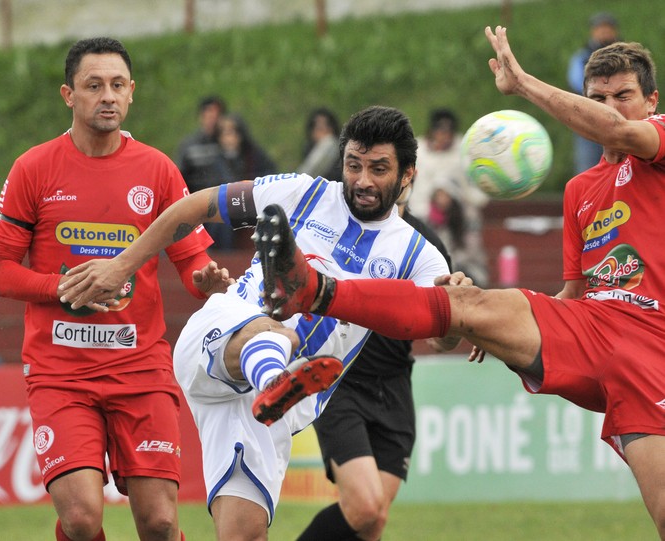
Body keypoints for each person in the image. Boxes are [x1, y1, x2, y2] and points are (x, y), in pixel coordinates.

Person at [255, 27, 665, 540]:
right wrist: (498, 330)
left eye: (623, 96)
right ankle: (312, 289)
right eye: (598, 98)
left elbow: (620, 132)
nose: (610, 109)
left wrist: (523, 85)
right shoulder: (581, 189)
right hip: (594, 328)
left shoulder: (659, 142)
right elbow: (574, 296)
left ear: (652, 101)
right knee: (464, 301)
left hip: (652, 345)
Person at [57, 105, 463, 540]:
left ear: (407, 174)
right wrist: (122, 266)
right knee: (276, 329)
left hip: (265, 416)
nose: (362, 180)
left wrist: (455, 311)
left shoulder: (419, 256)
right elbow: (192, 207)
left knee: (242, 534)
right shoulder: (302, 192)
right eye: (353, 165)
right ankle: (274, 373)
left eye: (379, 169)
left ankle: (275, 378)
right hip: (221, 336)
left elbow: (442, 340)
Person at [0, 37, 232, 541]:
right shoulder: (34, 168)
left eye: (117, 85)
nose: (107, 96)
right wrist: (64, 288)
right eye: (93, 86)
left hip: (140, 367)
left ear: (132, 92)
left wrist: (206, 279)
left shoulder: (158, 170)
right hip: (60, 373)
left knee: (160, 524)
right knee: (80, 519)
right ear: (68, 95)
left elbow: (191, 262)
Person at [297, 180, 451, 540]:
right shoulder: (340, 225)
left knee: (373, 520)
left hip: (394, 385)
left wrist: (464, 329)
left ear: (408, 175)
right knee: (364, 506)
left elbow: (441, 336)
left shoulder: (424, 245)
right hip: (340, 380)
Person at [412, 108, 489, 286]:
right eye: (439, 131)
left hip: (457, 216)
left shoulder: (462, 152)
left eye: (448, 132)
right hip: (423, 215)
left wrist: (456, 201)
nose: (443, 136)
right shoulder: (418, 151)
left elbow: (476, 190)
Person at [208, 112, 279, 250]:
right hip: (227, 203)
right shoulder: (216, 159)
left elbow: (270, 176)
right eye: (223, 133)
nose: (228, 138)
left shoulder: (254, 155)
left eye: (231, 132)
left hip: (253, 201)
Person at [567, 12, 620, 174]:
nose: (604, 32)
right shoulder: (582, 57)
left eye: (607, 28)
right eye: (600, 28)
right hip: (588, 122)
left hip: (619, 121)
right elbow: (576, 83)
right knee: (588, 171)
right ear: (593, 31)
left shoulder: (625, 55)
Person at [175, 95, 227, 193]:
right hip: (198, 201)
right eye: (209, 115)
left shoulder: (230, 143)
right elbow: (180, 178)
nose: (213, 120)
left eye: (217, 115)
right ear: (201, 116)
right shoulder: (189, 146)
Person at [297, 107, 342, 182]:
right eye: (319, 128)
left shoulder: (343, 153)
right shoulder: (308, 151)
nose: (323, 131)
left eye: (327, 126)